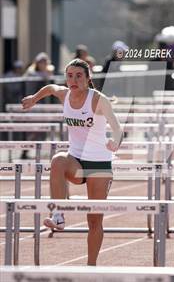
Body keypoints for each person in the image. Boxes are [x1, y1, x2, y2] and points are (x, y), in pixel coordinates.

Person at [21, 58, 123, 265]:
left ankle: (91, 266)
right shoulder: (64, 94)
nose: (73, 80)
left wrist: (115, 142)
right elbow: (50, 87)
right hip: (75, 160)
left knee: (94, 220)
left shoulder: (98, 99)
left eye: (78, 76)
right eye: (69, 76)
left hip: (99, 163)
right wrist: (34, 98)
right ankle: (58, 214)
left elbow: (118, 127)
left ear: (88, 78)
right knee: (58, 159)